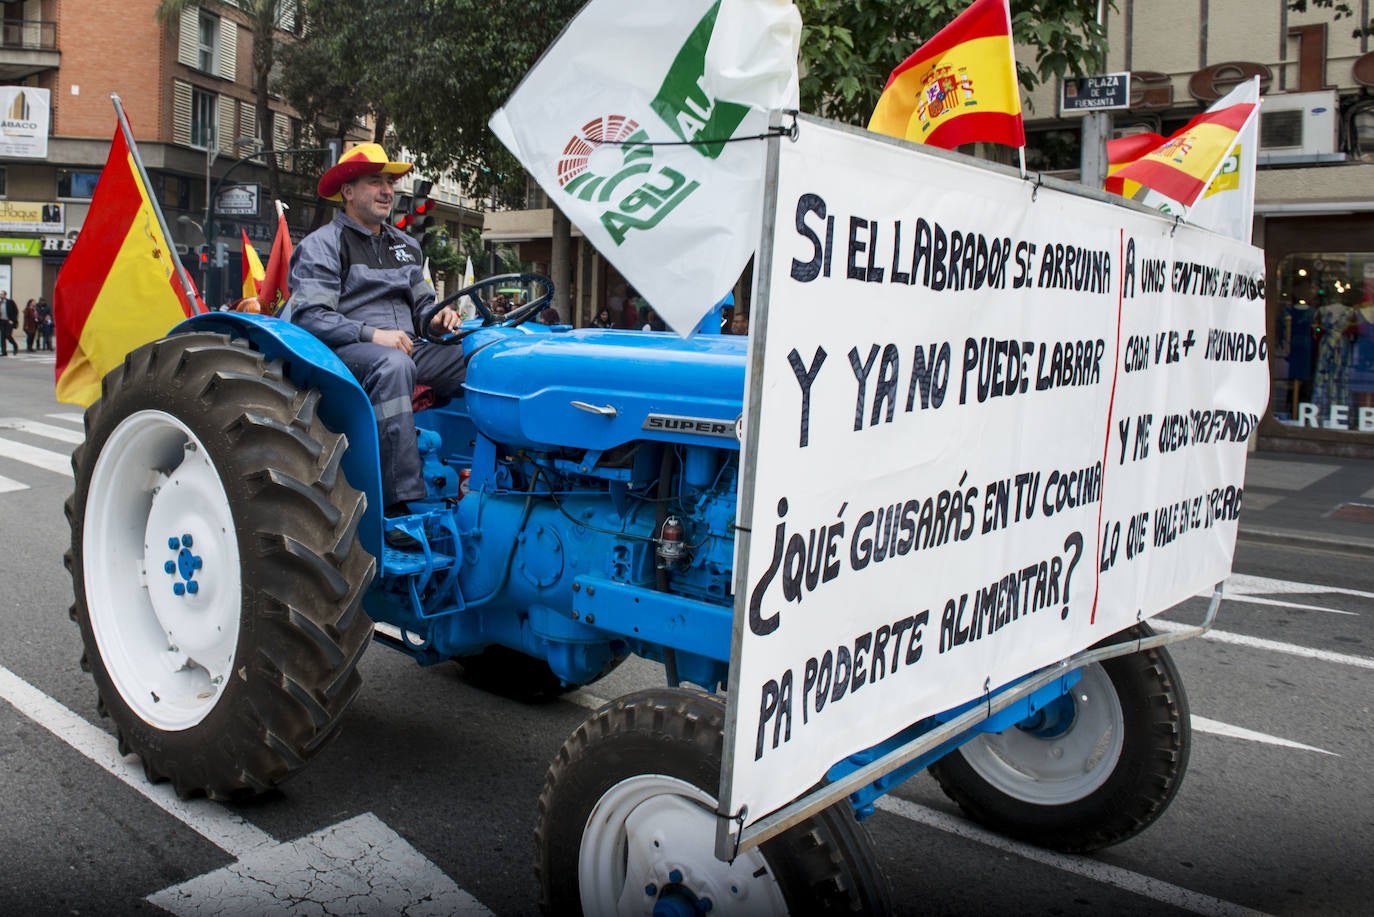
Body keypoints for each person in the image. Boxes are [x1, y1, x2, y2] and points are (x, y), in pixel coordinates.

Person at [284, 143, 464, 550]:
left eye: (390, 182)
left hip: (408, 344)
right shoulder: (323, 246)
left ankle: (486, 479)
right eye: (375, 182)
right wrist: (372, 335)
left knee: (477, 358)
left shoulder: (407, 246)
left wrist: (438, 318)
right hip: (345, 353)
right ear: (348, 191)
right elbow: (311, 316)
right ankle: (399, 506)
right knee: (393, 366)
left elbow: (423, 308)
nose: (387, 191)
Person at [0, 291, 17, 356]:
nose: (1, 296)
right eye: (0, 295)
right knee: (2, 337)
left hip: (9, 321)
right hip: (2, 321)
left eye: (2, 294)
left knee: (8, 335)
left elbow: (15, 311)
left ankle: (15, 346)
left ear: (5, 295)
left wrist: (13, 320)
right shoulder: (0, 303)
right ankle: (4, 351)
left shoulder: (10, 302)